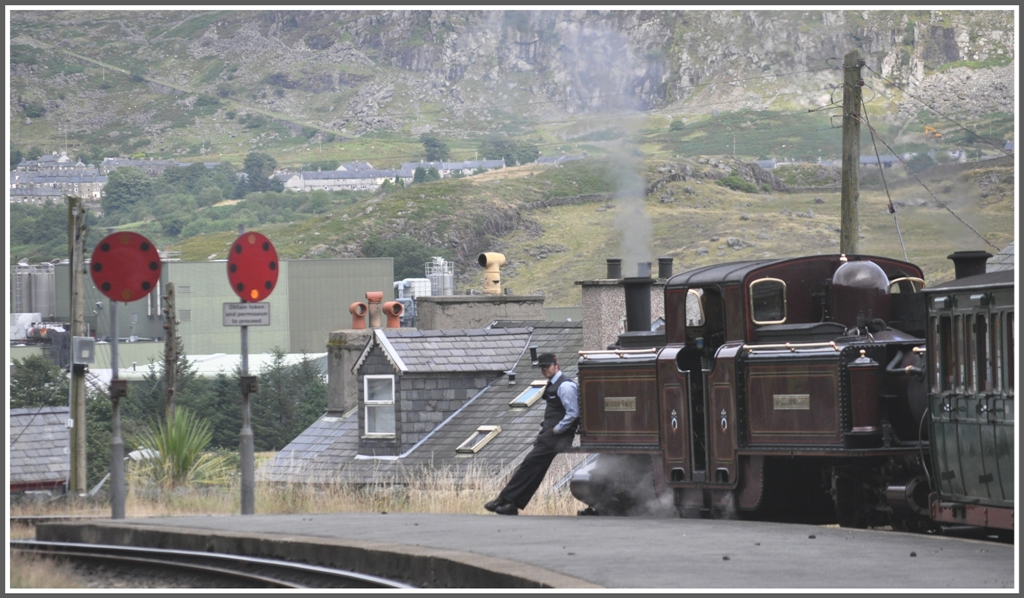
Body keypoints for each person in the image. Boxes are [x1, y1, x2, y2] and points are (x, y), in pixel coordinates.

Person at [484, 352, 579, 516]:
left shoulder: (565, 386)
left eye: (547, 367)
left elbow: (573, 413)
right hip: (550, 435)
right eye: (542, 367)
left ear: (556, 365)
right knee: (535, 469)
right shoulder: (553, 384)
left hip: (557, 436)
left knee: (529, 463)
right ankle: (513, 504)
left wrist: (557, 429)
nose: (544, 370)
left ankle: (504, 499)